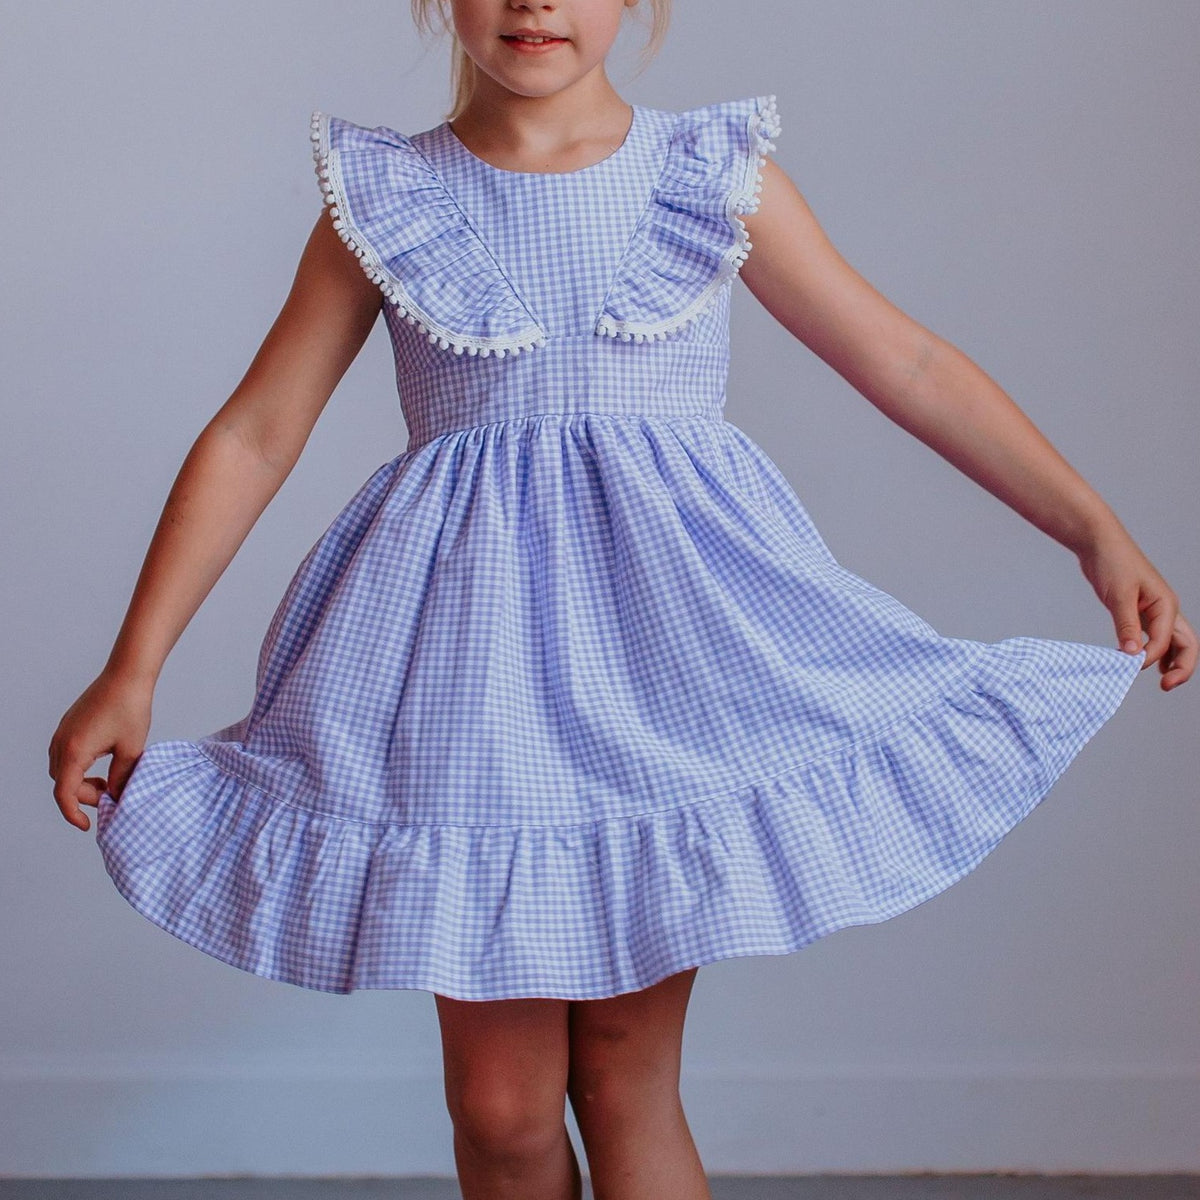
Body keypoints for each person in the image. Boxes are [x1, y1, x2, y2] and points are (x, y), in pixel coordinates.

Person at [49, 1, 1194, 1196]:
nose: (534, 2)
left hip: (664, 667)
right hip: (468, 685)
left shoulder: (713, 178)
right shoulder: (384, 198)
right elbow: (258, 431)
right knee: (499, 1110)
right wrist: (134, 666)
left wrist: (1092, 530)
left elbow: (905, 361)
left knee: (622, 1074)